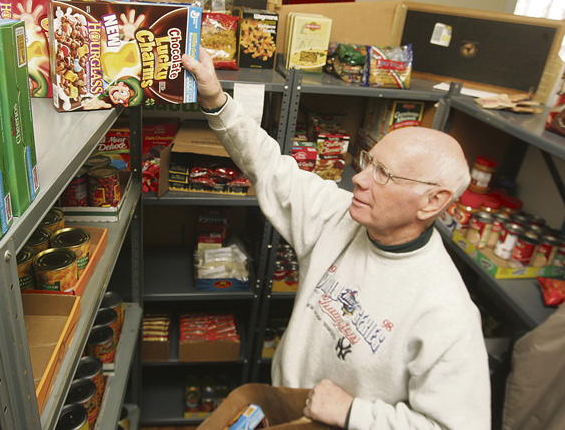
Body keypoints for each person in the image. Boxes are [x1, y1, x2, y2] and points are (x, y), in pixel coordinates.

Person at [181, 47, 491, 430]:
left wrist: (352, 413)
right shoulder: (340, 215)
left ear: (432, 201)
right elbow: (270, 166)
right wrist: (215, 98)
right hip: (281, 410)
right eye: (368, 161)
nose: (359, 178)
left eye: (383, 173)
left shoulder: (448, 313)